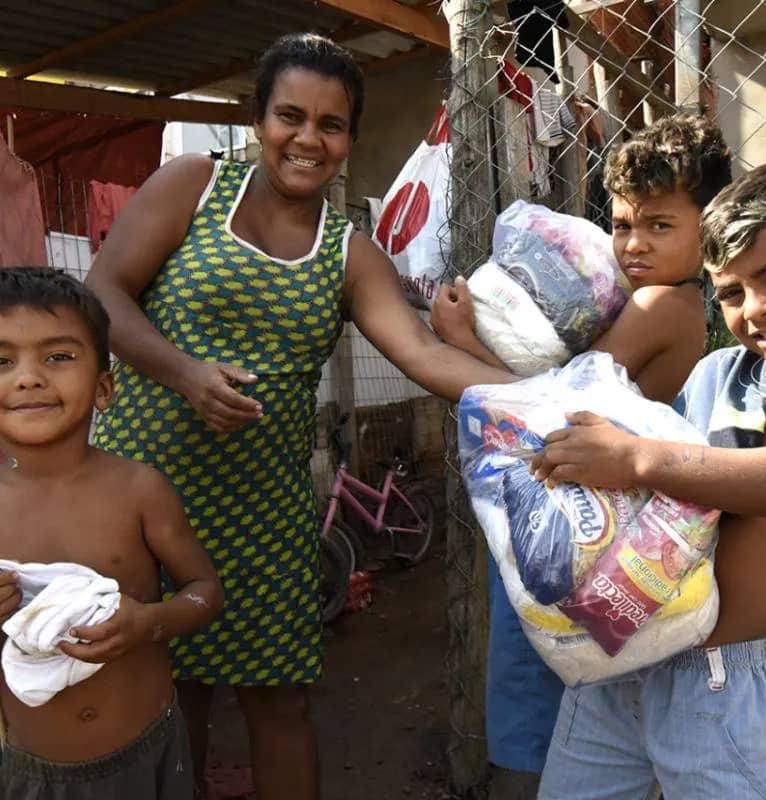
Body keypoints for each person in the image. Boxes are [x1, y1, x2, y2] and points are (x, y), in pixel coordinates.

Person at [85, 33, 514, 800]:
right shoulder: (192, 187)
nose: (309, 140)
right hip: (142, 496)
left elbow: (421, 353)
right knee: (165, 694)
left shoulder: (348, 255)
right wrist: (184, 373)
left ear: (349, 137)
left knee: (277, 699)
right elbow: (102, 295)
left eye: (332, 124)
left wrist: (543, 398)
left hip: (262, 510)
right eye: (291, 116)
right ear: (257, 120)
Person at [432, 113, 732, 795]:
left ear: (708, 224)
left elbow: (551, 409)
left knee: (533, 709)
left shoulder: (661, 304)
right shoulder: (683, 300)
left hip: (577, 537)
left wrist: (457, 341)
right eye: (623, 224)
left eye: (660, 226)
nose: (632, 245)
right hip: (605, 537)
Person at [530, 156, 766, 799]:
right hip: (621, 656)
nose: (757, 309)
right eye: (731, 293)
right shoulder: (719, 376)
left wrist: (637, 458)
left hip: (721, 682)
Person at [0, 267, 223, 799]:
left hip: (151, 755)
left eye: (58, 356)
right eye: (2, 360)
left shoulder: (139, 490)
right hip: (32, 771)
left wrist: (149, 622)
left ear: (104, 387)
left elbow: (206, 592)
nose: (28, 377)